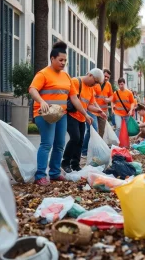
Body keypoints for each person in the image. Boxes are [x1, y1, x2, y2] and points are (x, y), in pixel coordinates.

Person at [29, 41, 93, 186]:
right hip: (45, 114)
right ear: (52, 59)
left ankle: (54, 172)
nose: (63, 63)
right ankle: (40, 175)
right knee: (47, 144)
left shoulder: (66, 77)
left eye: (65, 60)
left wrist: (85, 114)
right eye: (60, 60)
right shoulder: (43, 73)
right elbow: (32, 89)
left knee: (59, 144)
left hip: (61, 115)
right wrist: (42, 101)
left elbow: (74, 98)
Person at [62, 68, 106, 173]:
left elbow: (89, 105)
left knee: (80, 141)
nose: (95, 84)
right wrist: (86, 114)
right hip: (71, 115)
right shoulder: (76, 82)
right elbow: (73, 99)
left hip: (82, 117)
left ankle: (75, 164)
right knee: (75, 138)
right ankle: (65, 162)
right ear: (90, 75)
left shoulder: (91, 89)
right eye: (95, 82)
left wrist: (99, 111)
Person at [81, 69, 113, 157]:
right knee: (93, 129)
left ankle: (96, 150)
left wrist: (108, 100)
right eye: (105, 76)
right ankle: (84, 150)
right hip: (91, 111)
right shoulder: (93, 84)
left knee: (101, 132)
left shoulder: (108, 85)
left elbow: (111, 95)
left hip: (102, 111)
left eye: (108, 77)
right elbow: (92, 100)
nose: (106, 78)